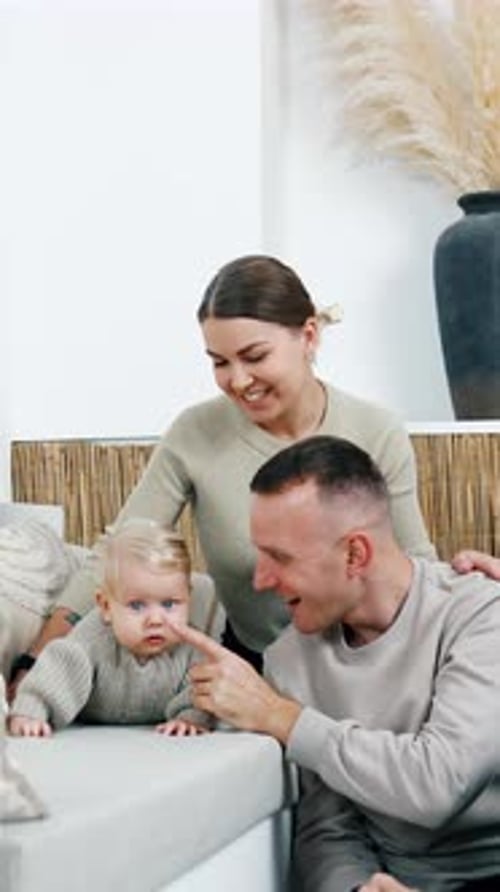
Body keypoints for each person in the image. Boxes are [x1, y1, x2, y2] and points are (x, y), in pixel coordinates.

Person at [9, 254, 434, 691]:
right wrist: (36, 657)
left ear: (308, 336)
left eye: (254, 356)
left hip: (370, 663)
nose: (238, 380)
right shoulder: (196, 433)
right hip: (254, 666)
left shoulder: (376, 430)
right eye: (219, 362)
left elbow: (418, 563)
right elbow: (116, 550)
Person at [173, 436, 500, 891]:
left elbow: (440, 784)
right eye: (259, 553)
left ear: (355, 554)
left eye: (280, 557)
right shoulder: (288, 659)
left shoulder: (481, 613)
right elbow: (328, 828)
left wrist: (280, 716)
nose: (261, 579)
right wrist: (355, 887)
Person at [8, 519, 220, 737]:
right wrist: (31, 712)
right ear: (106, 606)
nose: (156, 620)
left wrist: (190, 718)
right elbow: (55, 675)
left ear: (188, 598)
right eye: (137, 605)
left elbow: (202, 691)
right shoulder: (90, 643)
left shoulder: (192, 649)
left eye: (169, 604)